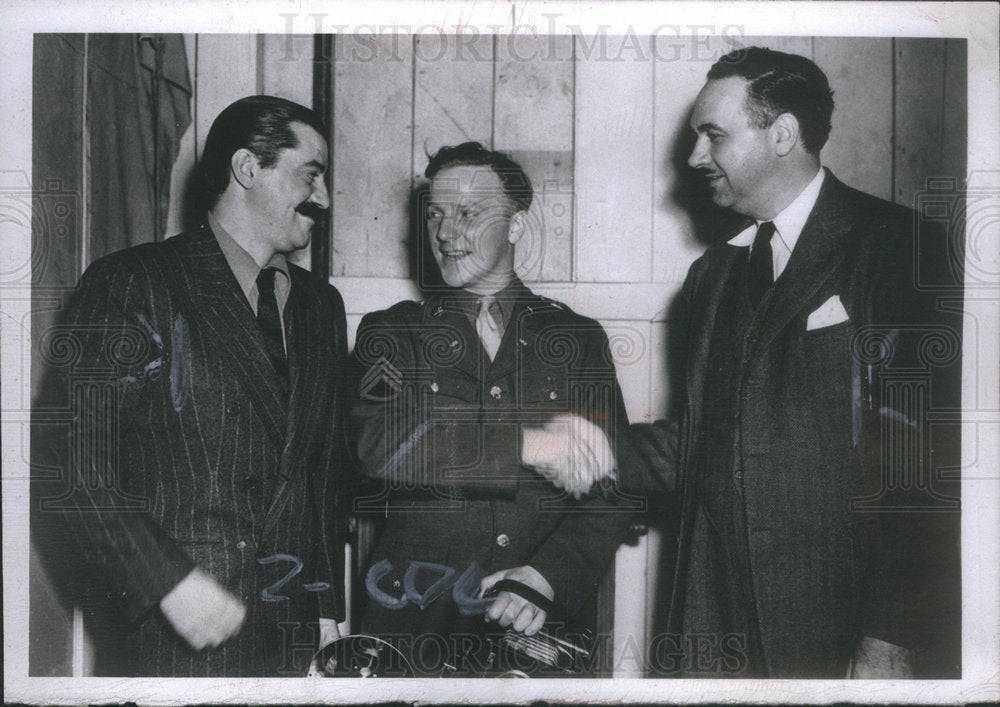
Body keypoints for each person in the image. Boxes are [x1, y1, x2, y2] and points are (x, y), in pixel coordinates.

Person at [618, 47, 962, 678]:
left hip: (839, 621)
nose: (695, 157)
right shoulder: (710, 277)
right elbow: (698, 444)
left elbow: (927, 463)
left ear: (782, 135)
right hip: (713, 623)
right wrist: (588, 449)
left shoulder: (900, 248)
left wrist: (892, 633)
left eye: (713, 135)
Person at [31, 95, 349, 676]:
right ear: (248, 169)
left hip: (290, 632)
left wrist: (326, 605)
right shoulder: (134, 282)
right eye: (311, 175)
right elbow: (74, 461)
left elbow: (321, 473)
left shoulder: (321, 307)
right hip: (173, 636)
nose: (324, 198)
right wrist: (166, 582)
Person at [349, 142, 639, 676]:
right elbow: (379, 444)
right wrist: (528, 445)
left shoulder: (575, 338)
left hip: (536, 630)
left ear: (515, 224)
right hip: (415, 623)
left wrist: (548, 576)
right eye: (435, 213)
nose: (445, 232)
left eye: (468, 213)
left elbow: (612, 484)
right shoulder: (391, 332)